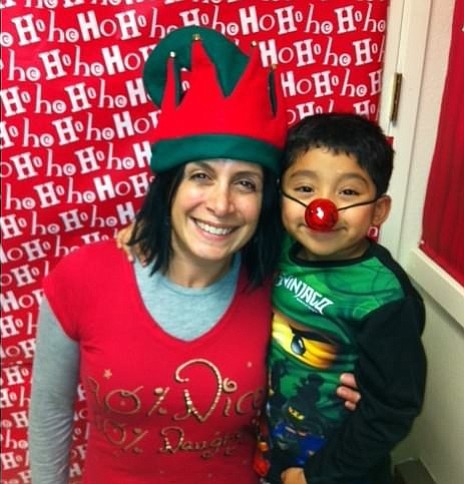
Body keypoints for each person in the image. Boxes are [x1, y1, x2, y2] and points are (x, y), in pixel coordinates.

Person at [28, 27, 358, 484]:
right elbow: (48, 414)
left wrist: (362, 383)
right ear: (170, 187)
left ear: (264, 201)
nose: (221, 205)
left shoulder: (283, 284)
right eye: (201, 176)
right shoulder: (83, 277)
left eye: (245, 183)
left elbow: (371, 295)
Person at [256, 113, 427, 484]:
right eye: (304, 189)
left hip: (340, 472)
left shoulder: (382, 297)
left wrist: (315, 476)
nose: (322, 210)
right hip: (276, 447)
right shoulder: (281, 246)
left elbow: (392, 407)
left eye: (348, 192)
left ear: (378, 211)